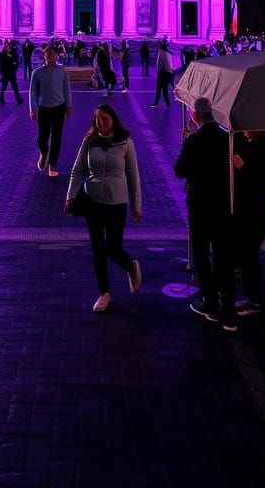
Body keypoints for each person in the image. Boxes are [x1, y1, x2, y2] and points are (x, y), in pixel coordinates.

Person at [65, 104, 142, 313]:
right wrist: (70, 196)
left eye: (105, 118)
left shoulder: (125, 142)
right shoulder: (89, 141)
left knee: (113, 249)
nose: (101, 122)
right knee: (98, 249)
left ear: (113, 120)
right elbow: (78, 170)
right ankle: (104, 293)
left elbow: (133, 175)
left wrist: (136, 205)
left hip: (117, 203)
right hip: (93, 202)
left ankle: (130, 265)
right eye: (98, 118)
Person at [174, 98, 238, 331]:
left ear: (194, 115)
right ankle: (229, 313)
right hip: (222, 203)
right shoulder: (226, 138)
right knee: (223, 256)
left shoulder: (193, 140)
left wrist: (185, 144)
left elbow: (179, 170)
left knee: (201, 254)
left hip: (199, 205)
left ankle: (210, 304)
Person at [232, 129, 265, 315]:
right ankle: (251, 297)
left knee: (249, 254)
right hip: (248, 207)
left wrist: (244, 167)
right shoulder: (252, 145)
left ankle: (253, 301)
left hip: (254, 208)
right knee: (247, 254)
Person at [30, 46, 73, 178]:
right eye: (48, 55)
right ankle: (44, 153)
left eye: (53, 55)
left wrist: (68, 105)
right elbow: (33, 92)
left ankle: (53, 163)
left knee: (57, 137)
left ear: (56, 56)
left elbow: (67, 90)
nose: (51, 58)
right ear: (44, 56)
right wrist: (33, 108)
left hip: (59, 108)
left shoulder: (62, 72)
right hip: (43, 108)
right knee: (42, 137)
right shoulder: (37, 73)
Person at [152, 41, 174, 106]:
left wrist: (158, 71)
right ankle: (167, 103)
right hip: (169, 73)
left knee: (159, 89)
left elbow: (159, 64)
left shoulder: (160, 53)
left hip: (162, 73)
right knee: (165, 89)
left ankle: (156, 103)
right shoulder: (169, 53)